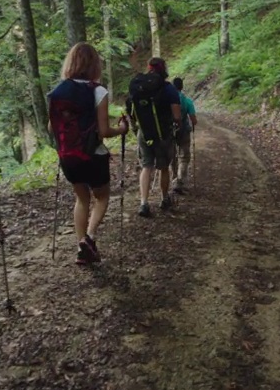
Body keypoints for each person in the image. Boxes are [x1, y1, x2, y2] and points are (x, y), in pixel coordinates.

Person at [47, 43, 129, 265]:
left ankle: (80, 243)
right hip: (93, 156)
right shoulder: (98, 91)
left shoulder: (57, 91)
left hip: (68, 157)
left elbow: (50, 128)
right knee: (102, 197)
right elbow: (103, 131)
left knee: (81, 199)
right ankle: (89, 238)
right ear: (94, 64)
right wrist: (121, 129)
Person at [127, 57, 181, 218]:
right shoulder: (168, 88)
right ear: (164, 69)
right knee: (163, 167)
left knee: (146, 166)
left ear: (149, 68)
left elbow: (131, 108)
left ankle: (144, 203)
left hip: (144, 132)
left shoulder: (139, 86)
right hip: (163, 134)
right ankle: (164, 198)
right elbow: (177, 116)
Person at [171, 77, 198, 193]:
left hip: (170, 130)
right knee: (184, 156)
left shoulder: (168, 100)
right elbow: (194, 120)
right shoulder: (187, 101)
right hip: (183, 131)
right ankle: (179, 181)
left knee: (172, 155)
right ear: (182, 87)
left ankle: (173, 178)